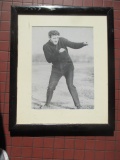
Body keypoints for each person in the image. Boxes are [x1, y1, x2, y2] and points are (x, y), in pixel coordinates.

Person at [43, 30, 88, 109]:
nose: (56, 40)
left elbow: (73, 45)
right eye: (54, 38)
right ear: (49, 38)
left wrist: (82, 44)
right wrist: (57, 52)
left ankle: (78, 106)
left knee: (70, 85)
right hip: (56, 69)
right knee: (51, 86)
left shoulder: (62, 40)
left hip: (68, 67)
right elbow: (49, 60)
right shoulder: (46, 46)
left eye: (57, 37)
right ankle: (47, 105)